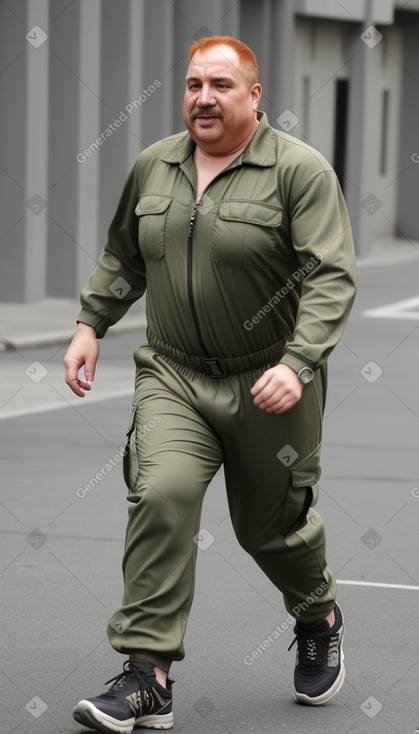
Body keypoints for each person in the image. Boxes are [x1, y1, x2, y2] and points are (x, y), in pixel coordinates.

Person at [65, 35, 356, 733]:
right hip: (173, 374)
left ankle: (316, 612)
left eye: (220, 85)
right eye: (194, 84)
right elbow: (123, 254)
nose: (202, 98)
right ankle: (147, 677)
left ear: (253, 96)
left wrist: (298, 362)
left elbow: (330, 274)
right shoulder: (153, 167)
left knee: (271, 531)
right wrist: (89, 323)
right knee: (159, 496)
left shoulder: (299, 171)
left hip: (269, 380)